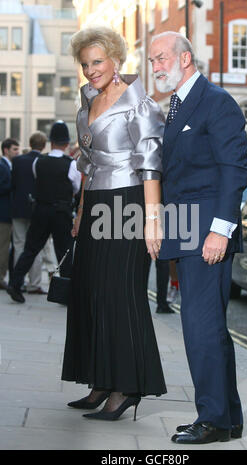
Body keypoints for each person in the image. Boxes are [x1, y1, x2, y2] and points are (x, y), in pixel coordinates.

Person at [149, 32, 247, 444]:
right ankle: (226, 418)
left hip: (207, 232)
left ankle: (212, 420)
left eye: (161, 58)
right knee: (207, 328)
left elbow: (235, 169)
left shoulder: (216, 101)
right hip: (185, 230)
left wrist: (219, 230)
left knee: (201, 328)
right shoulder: (175, 106)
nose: (155, 66)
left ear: (185, 58)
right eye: (152, 60)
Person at [61, 25, 167, 421]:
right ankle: (101, 381)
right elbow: (87, 167)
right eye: (86, 64)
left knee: (120, 293)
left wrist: (152, 221)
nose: (91, 70)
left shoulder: (140, 104)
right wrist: (80, 213)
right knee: (92, 292)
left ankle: (126, 388)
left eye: (98, 61)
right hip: (96, 206)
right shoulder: (86, 104)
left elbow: (151, 164)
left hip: (129, 203)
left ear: (116, 58)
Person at [7, 121, 81, 303]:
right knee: (64, 252)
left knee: (31, 248)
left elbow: (36, 179)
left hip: (41, 209)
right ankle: (65, 294)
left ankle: (15, 283)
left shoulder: (38, 161)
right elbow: (76, 187)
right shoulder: (70, 164)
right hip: (61, 212)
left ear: (50, 142)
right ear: (66, 143)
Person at [11, 131, 48, 294]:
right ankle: (34, 283)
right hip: (37, 209)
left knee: (19, 245)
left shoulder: (17, 161)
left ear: (30, 143)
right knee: (36, 247)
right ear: (44, 145)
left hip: (18, 207)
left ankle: (17, 282)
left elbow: (14, 184)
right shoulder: (44, 161)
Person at [0, 138, 20, 290]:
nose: (17, 152)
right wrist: (13, 184)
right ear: (6, 150)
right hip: (3, 213)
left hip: (8, 212)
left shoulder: (8, 165)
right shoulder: (2, 166)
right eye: (14, 149)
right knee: (3, 247)